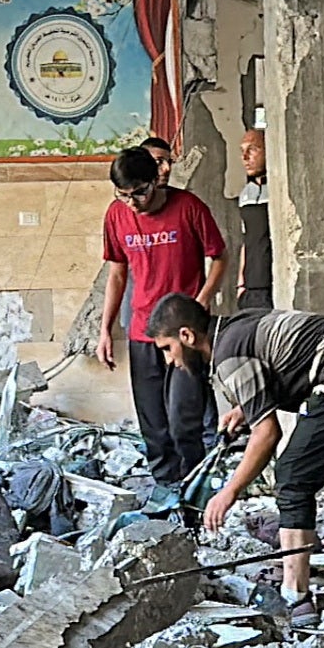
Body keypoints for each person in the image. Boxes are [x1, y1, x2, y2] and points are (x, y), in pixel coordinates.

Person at [150, 294, 324, 626]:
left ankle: (296, 600)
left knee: (292, 476)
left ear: (187, 336)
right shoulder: (239, 327)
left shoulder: (228, 354)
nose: (168, 361)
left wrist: (228, 492)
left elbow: (267, 435)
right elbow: (282, 368)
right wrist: (245, 409)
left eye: (167, 348)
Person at [97, 145, 228, 499]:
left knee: (184, 416)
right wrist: (105, 330)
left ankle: (197, 488)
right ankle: (167, 489)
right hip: (143, 330)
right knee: (153, 421)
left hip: (183, 333)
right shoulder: (117, 215)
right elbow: (117, 275)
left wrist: (201, 300)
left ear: (156, 179)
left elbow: (219, 257)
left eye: (139, 192)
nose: (133, 203)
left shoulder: (188, 208)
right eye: (123, 195)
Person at [235, 128, 273, 312]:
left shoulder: (280, 190)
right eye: (242, 150)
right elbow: (246, 240)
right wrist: (241, 284)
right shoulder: (245, 194)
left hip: (274, 284)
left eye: (253, 149)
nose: (245, 157)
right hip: (251, 286)